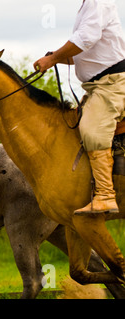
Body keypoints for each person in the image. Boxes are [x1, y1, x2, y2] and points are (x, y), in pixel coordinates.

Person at [33, 0, 125, 215]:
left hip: (111, 85)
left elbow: (85, 38)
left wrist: (54, 57)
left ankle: (105, 194)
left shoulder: (96, 1)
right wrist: (55, 58)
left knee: (92, 131)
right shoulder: (87, 6)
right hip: (99, 86)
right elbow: (87, 50)